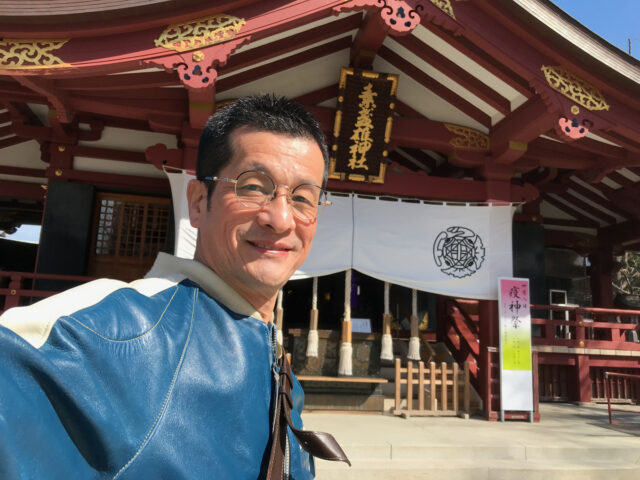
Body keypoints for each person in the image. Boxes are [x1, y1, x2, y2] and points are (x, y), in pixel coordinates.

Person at [0, 94, 347, 479]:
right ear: (198, 201)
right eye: (253, 186)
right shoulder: (109, 335)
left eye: (303, 198)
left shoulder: (270, 353)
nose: (281, 219)